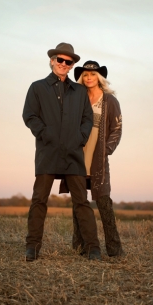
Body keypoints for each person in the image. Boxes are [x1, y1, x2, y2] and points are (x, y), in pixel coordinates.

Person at [22, 44, 101, 261]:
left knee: (81, 202)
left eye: (68, 62)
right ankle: (32, 247)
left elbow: (87, 119)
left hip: (73, 154)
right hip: (47, 152)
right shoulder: (37, 88)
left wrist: (80, 138)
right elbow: (29, 115)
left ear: (72, 65)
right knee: (39, 199)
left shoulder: (79, 92)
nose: (63, 64)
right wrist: (45, 134)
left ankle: (93, 248)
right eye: (60, 60)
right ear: (52, 60)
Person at [61, 60, 123, 257]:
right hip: (78, 156)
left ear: (99, 78)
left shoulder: (110, 101)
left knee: (104, 202)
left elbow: (117, 129)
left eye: (93, 74)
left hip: (97, 159)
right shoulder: (77, 98)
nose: (88, 78)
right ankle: (80, 246)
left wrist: (106, 150)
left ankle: (114, 249)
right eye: (85, 75)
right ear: (81, 77)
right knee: (79, 203)